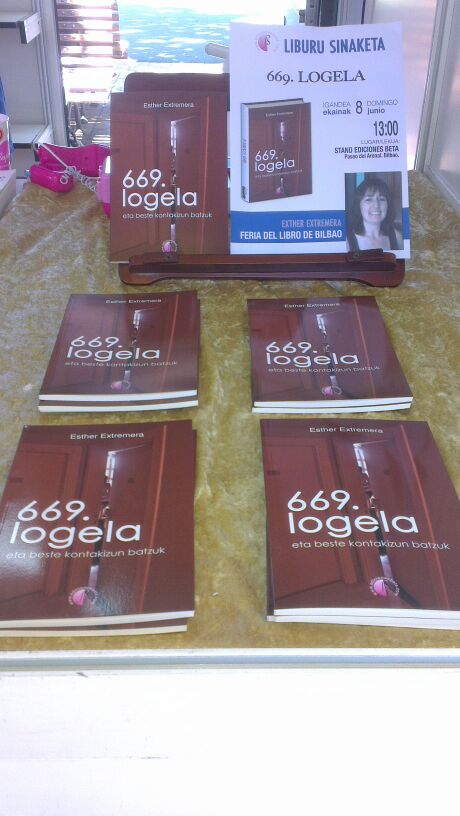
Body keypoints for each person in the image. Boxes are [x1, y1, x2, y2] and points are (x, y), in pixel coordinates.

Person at [347, 176, 403, 251]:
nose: (376, 205)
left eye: (381, 199)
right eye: (369, 199)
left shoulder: (397, 237)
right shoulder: (346, 241)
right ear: (358, 205)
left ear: (388, 205)